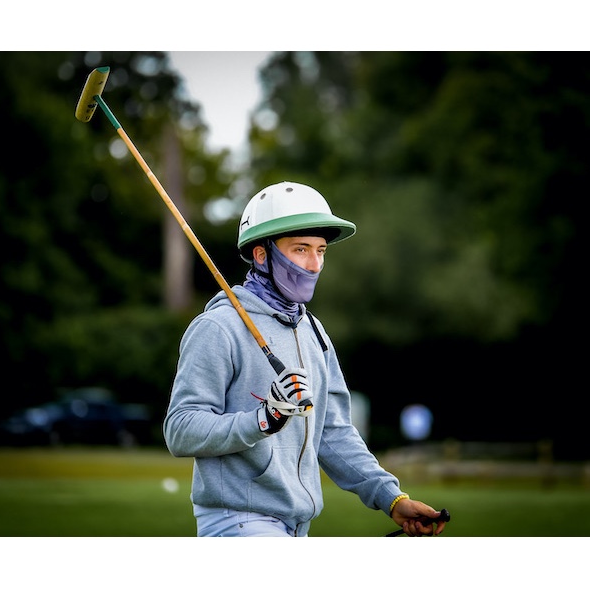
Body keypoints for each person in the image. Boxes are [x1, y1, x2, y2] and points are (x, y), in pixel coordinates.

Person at [163, 181, 447, 538]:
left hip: (296, 526)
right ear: (261, 254)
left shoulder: (314, 331)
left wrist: (391, 498)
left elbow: (333, 431)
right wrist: (261, 420)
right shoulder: (218, 328)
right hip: (237, 520)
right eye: (301, 250)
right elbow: (180, 430)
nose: (314, 265)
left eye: (321, 251)